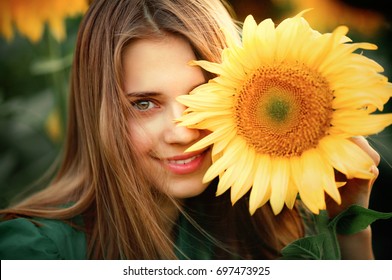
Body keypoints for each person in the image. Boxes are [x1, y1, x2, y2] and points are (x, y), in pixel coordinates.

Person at [0, 0, 380, 260]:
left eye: (203, 96)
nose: (182, 132)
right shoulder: (36, 251)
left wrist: (348, 230)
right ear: (96, 110)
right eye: (143, 104)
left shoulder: (267, 228)